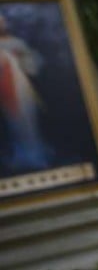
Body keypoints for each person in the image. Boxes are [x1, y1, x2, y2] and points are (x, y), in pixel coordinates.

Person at [0, 11, 49, 172]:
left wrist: (19, 59)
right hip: (5, 91)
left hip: (21, 87)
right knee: (13, 124)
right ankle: (21, 155)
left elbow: (33, 64)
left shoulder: (17, 43)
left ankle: (35, 155)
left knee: (28, 120)